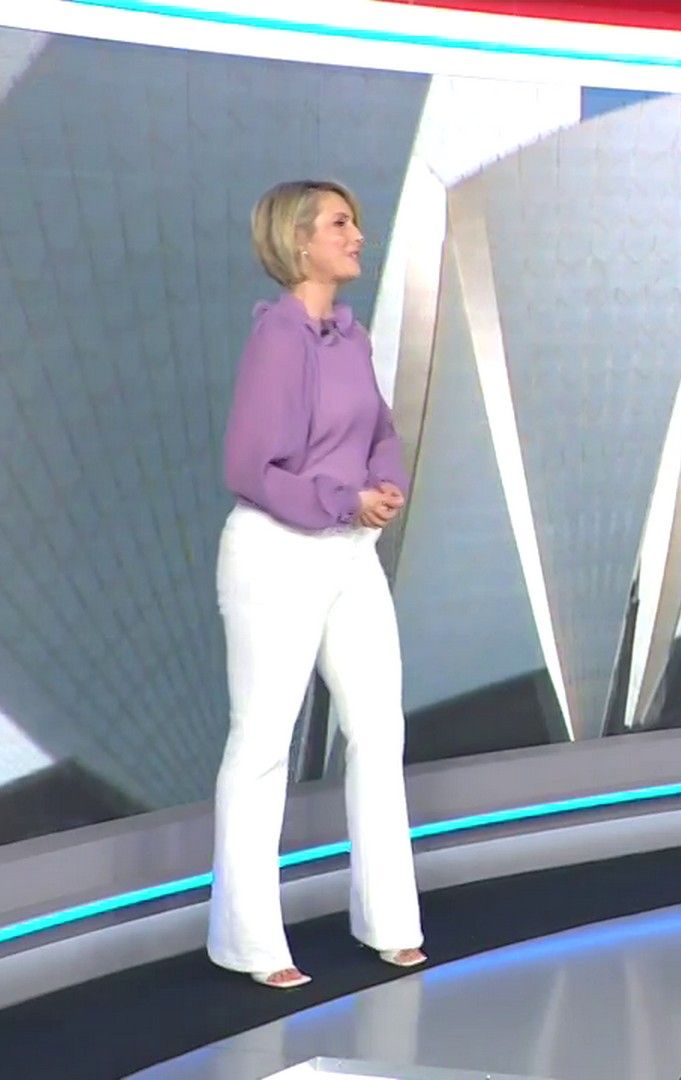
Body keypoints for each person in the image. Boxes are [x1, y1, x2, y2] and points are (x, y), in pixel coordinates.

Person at [208, 179, 425, 989]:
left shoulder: (350, 338)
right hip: (276, 552)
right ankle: (248, 943)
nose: (358, 234)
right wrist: (343, 497)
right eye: (340, 223)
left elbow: (381, 431)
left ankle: (390, 923)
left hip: (348, 550)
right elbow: (249, 468)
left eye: (356, 222)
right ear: (300, 241)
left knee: (378, 730)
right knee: (263, 743)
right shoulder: (278, 339)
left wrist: (385, 483)